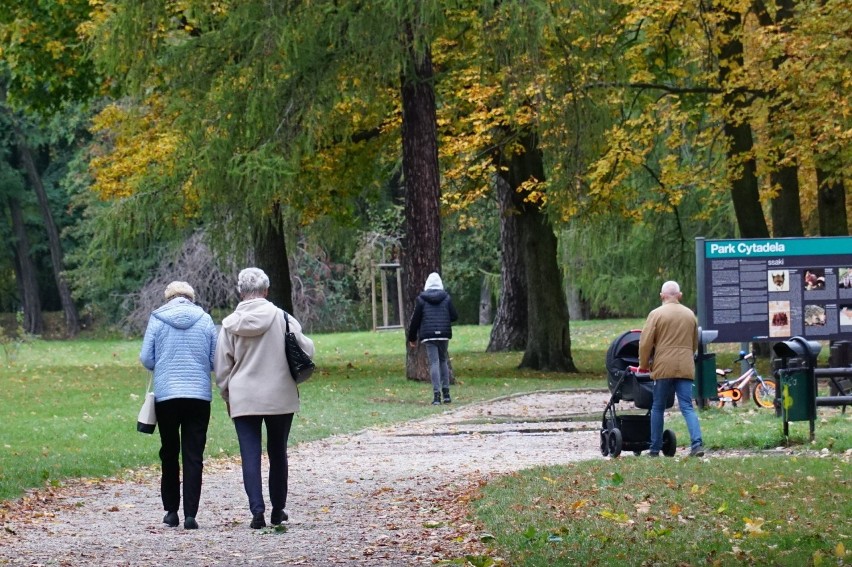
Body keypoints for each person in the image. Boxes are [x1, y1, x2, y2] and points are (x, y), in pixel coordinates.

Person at [214, 267, 314, 529]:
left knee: (250, 454)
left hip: (244, 396)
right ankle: (278, 509)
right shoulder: (282, 318)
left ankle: (256, 511)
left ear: (241, 291)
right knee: (278, 452)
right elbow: (306, 349)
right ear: (266, 290)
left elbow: (222, 367)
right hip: (279, 395)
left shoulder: (229, 325)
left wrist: (228, 395)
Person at [139, 281, 217, 530]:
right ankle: (191, 514)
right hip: (198, 396)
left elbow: (146, 358)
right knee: (194, 455)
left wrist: (163, 364)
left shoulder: (158, 319)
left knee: (169, 452)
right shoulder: (205, 320)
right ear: (190, 298)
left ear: (168, 298)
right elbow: (215, 359)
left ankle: (171, 511)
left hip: (167, 396)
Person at [638, 280, 705, 457]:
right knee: (687, 407)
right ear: (680, 295)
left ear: (662, 296)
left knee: (658, 407)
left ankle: (654, 449)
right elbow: (693, 343)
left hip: (663, 366)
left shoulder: (656, 314)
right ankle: (697, 445)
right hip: (685, 365)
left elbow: (645, 343)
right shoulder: (690, 315)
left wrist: (644, 364)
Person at [407, 272, 459, 405]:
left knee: (434, 363)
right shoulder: (446, 298)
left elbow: (415, 320)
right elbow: (454, 316)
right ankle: (446, 394)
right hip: (443, 334)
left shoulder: (421, 299)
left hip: (428, 335)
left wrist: (412, 338)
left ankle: (437, 396)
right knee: (443, 361)